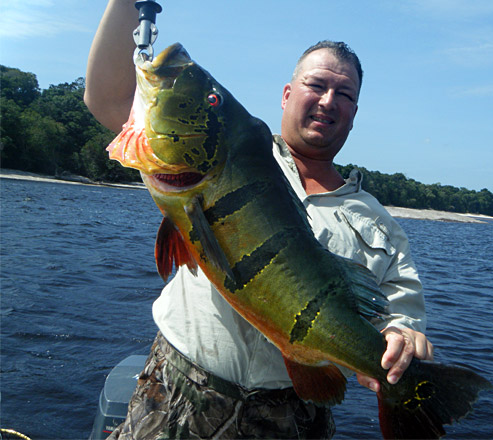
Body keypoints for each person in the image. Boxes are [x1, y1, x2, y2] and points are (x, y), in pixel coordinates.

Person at [85, 1, 434, 438]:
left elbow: (401, 308)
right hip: (177, 395)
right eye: (316, 85)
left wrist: (404, 335)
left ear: (355, 113)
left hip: (294, 418)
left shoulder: (382, 225)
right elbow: (105, 99)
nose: (328, 101)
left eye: (344, 94)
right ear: (287, 94)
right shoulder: (229, 151)